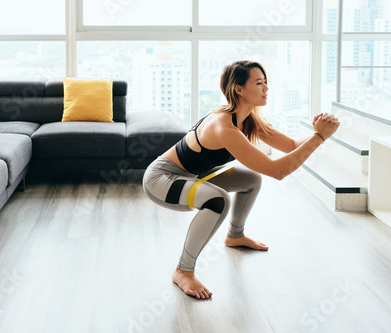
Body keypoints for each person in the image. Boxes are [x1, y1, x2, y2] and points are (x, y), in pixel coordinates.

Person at [142, 60, 340, 299]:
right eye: (259, 83)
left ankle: (235, 235)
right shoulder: (224, 126)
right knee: (218, 200)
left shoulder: (247, 120)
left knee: (250, 179)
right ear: (239, 89)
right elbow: (279, 171)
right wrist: (319, 136)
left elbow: (290, 146)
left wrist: (317, 131)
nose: (266, 88)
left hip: (192, 178)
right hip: (162, 180)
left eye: (266, 82)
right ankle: (183, 270)